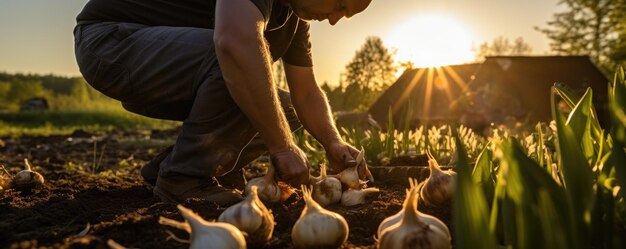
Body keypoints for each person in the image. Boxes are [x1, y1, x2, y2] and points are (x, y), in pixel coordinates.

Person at [73, 0, 372, 206]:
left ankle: (180, 164)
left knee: (286, 109)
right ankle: (183, 177)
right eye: (341, 5)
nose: (333, 20)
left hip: (165, 59)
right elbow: (234, 42)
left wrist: (332, 142)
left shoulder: (293, 18)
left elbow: (305, 92)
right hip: (110, 41)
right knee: (242, 59)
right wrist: (282, 148)